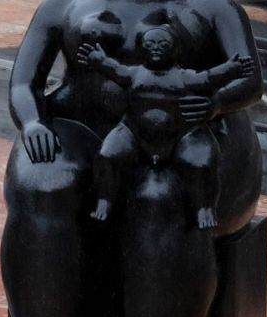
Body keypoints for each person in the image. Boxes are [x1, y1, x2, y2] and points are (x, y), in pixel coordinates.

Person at [1, 0, 262, 317]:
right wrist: (31, 123)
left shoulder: (214, 8)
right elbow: (23, 83)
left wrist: (214, 104)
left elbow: (250, 79)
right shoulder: (62, 6)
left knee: (159, 195)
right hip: (82, 126)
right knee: (41, 186)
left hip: (189, 131)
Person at [78, 28, 255, 230]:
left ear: (175, 51)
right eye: (150, 45)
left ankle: (204, 207)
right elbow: (114, 69)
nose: (156, 50)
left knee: (202, 163)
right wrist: (98, 59)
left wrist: (232, 69)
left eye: (163, 45)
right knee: (107, 155)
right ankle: (104, 199)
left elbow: (209, 77)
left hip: (180, 134)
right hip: (135, 132)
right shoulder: (134, 74)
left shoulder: (184, 77)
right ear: (142, 49)